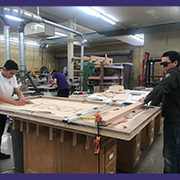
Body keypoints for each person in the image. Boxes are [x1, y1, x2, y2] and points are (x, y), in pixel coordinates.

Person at [139, 50, 180, 173]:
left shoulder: (174, 73)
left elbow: (162, 87)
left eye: (165, 64)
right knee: (176, 154)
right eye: (161, 64)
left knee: (170, 155)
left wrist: (146, 100)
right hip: (176, 119)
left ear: (175, 63)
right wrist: (151, 105)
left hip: (174, 121)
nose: (163, 67)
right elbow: (164, 92)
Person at [0, 59, 30, 159]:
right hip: (1, 105)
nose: (12, 75)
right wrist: (15, 102)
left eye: (14, 74)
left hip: (4, 107)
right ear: (4, 70)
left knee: (0, 130)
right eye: (11, 73)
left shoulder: (12, 78)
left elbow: (18, 91)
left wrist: (23, 99)